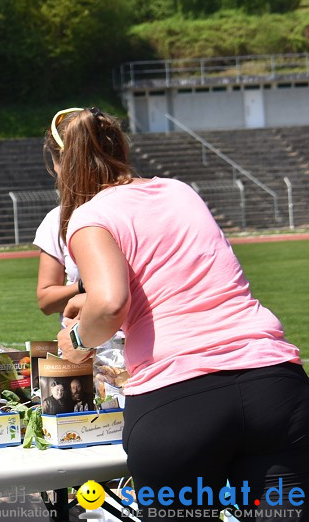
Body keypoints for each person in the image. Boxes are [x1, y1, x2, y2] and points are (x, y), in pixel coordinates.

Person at [49, 107, 308, 520]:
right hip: (273, 384)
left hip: (179, 400)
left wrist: (77, 339)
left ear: (60, 163)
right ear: (121, 147)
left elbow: (112, 303)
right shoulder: (177, 189)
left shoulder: (90, 215)